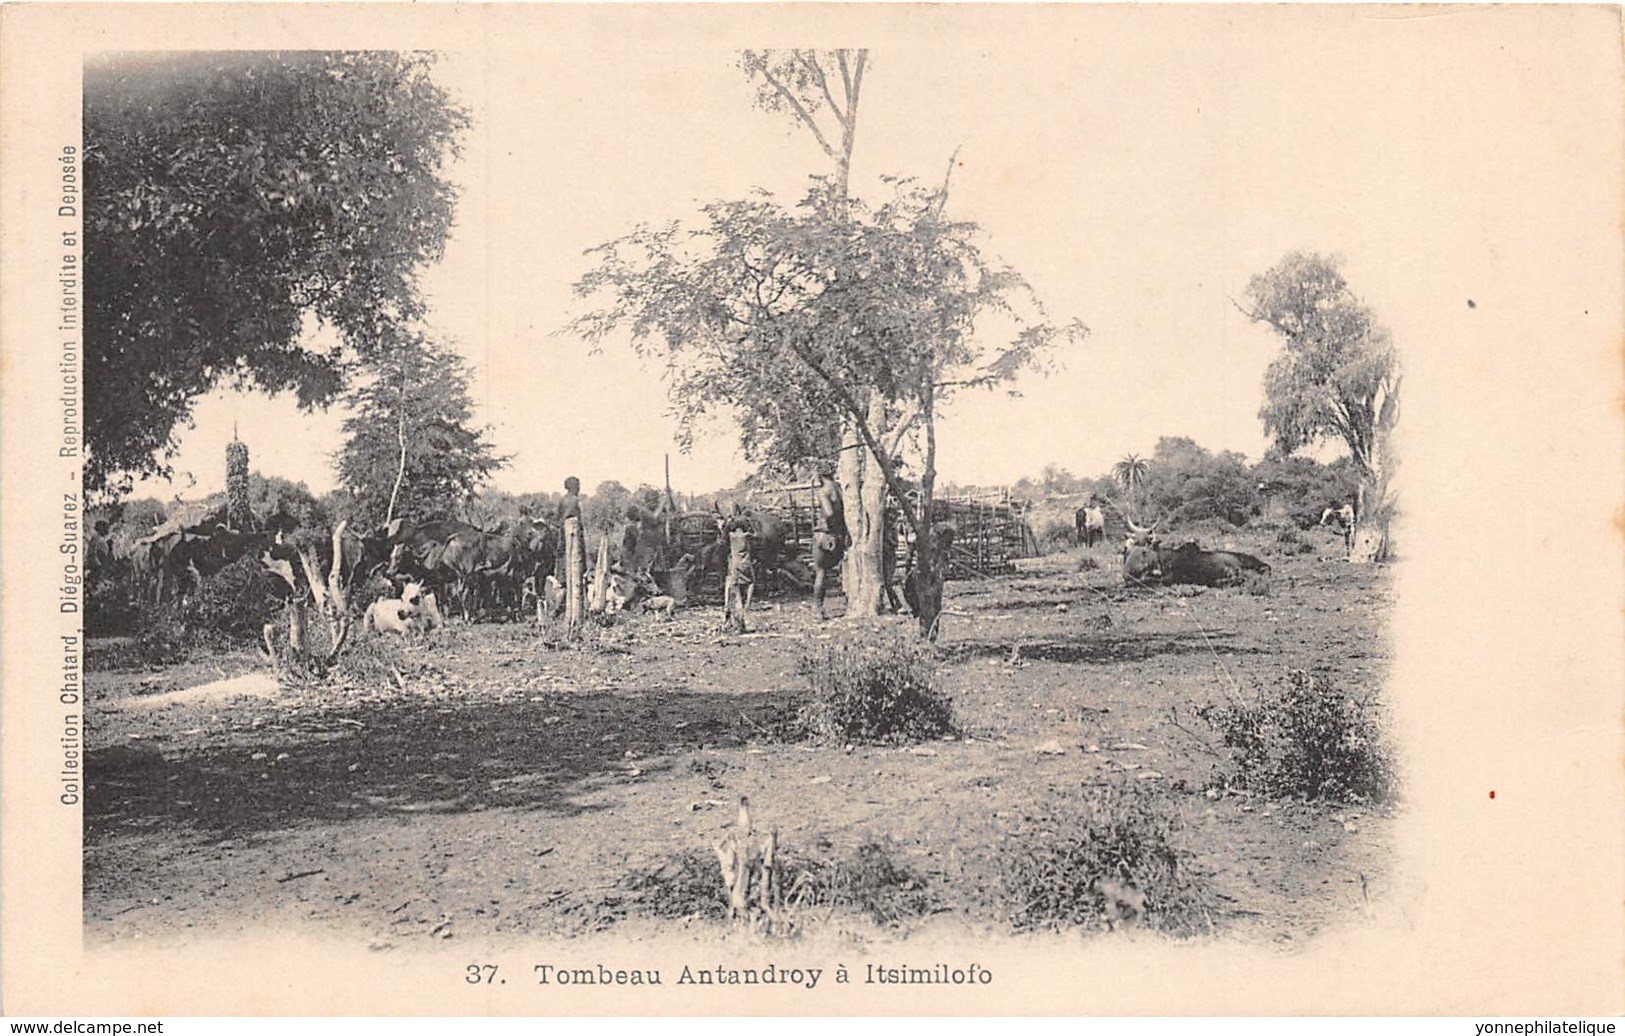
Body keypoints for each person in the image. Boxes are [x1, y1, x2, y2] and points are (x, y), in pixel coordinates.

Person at [810, 468, 848, 619]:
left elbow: (829, 513)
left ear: (820, 475)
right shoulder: (840, 489)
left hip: (825, 534)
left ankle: (818, 609)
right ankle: (848, 601)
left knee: (821, 571)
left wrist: (830, 530)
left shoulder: (823, 491)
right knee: (844, 569)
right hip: (840, 534)